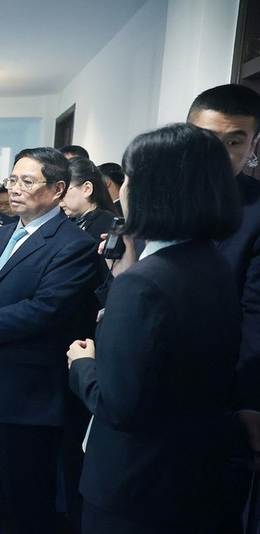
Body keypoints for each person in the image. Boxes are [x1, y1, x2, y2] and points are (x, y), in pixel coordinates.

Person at [67, 123, 242, 532]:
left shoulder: (143, 284)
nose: (122, 188)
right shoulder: (210, 262)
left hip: (133, 484)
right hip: (186, 475)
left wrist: (82, 363)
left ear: (156, 189)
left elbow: (118, 405)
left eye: (129, 177)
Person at [0, 147, 101, 533]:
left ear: (58, 189)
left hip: (24, 395)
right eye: (12, 179)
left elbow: (44, 310)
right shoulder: (0, 235)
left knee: (26, 501)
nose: (13, 189)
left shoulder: (72, 245)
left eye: (27, 181)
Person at [187, 84, 260, 533]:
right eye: (206, 140)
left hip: (217, 391)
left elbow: (255, 314)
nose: (218, 153)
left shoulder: (254, 211)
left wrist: (250, 403)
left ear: (253, 145)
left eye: (234, 141)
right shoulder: (155, 196)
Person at [60, 157, 118, 239]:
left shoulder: (105, 224)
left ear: (87, 189)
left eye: (64, 192)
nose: (59, 198)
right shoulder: (71, 220)